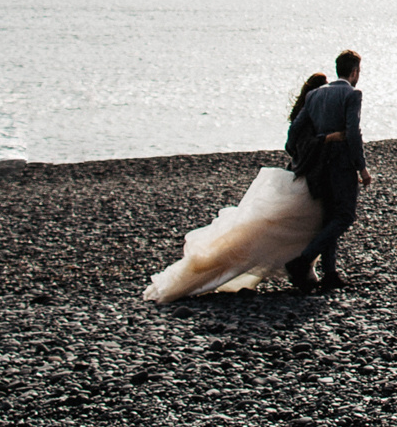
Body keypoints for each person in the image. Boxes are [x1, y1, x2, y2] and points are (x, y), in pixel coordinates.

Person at [139, 62, 331, 303]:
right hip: (302, 180)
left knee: (294, 229)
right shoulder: (306, 118)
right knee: (284, 229)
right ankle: (301, 271)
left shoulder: (305, 114)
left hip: (301, 177)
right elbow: (296, 147)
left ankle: (306, 270)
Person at [288, 49, 370, 291]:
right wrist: (362, 168)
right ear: (354, 71)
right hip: (341, 165)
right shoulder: (352, 94)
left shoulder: (314, 95)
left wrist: (306, 149)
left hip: (318, 166)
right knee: (344, 216)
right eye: (359, 71)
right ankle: (302, 261)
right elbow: (353, 133)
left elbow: (294, 133)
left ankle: (330, 273)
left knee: (328, 218)